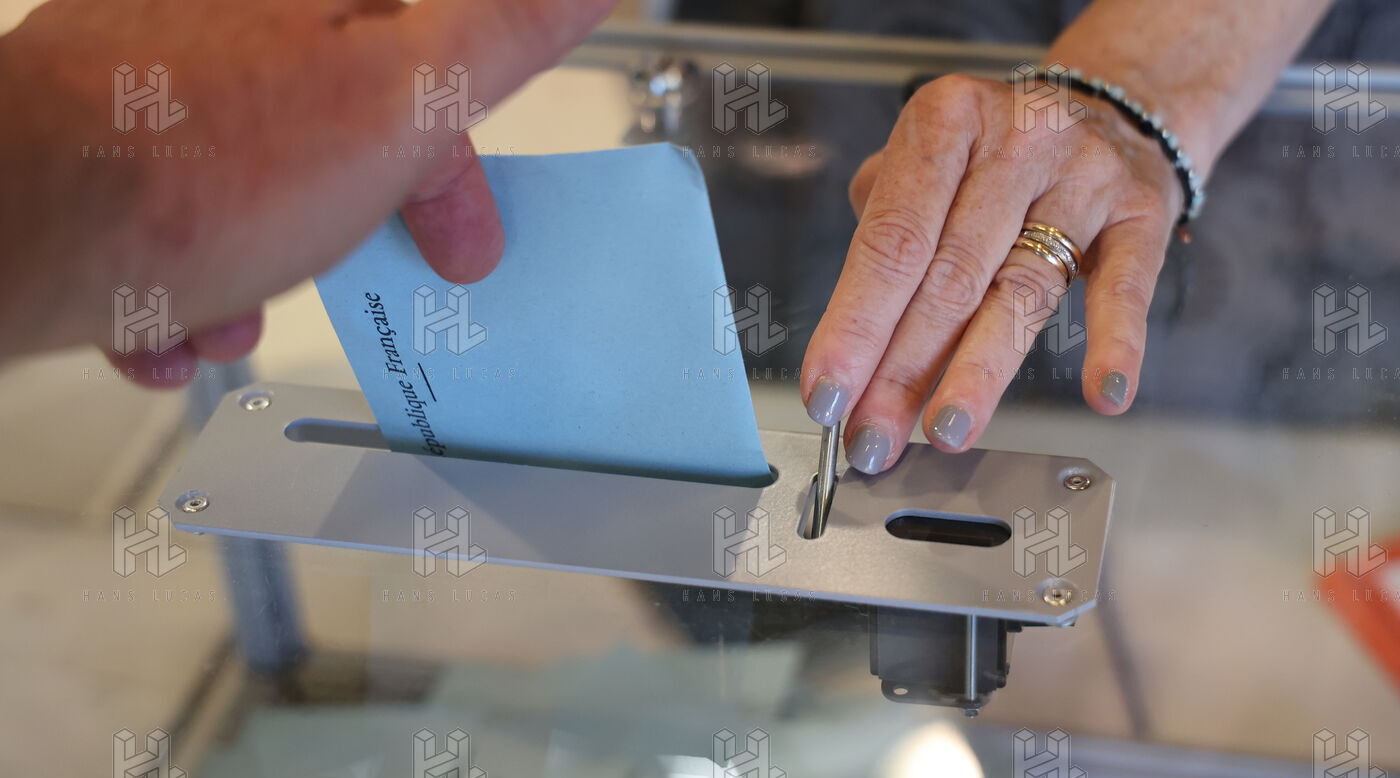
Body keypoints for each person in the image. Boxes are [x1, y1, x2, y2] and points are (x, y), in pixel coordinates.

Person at [0, 0, 1334, 473]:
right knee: (715, 466)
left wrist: (1141, 82)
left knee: (1080, 439)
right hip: (799, 75)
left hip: (1233, 86)